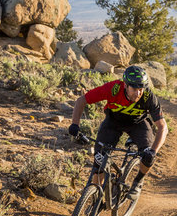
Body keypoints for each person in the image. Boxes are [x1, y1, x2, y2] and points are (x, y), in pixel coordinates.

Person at [67, 65, 168, 201]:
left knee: (148, 155)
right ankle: (95, 198)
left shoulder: (149, 97)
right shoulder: (113, 89)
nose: (138, 93)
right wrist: (75, 125)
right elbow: (81, 101)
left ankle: (138, 182)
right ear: (125, 85)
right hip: (113, 122)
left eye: (141, 89)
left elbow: (162, 127)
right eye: (134, 89)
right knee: (99, 160)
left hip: (138, 124)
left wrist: (153, 151)